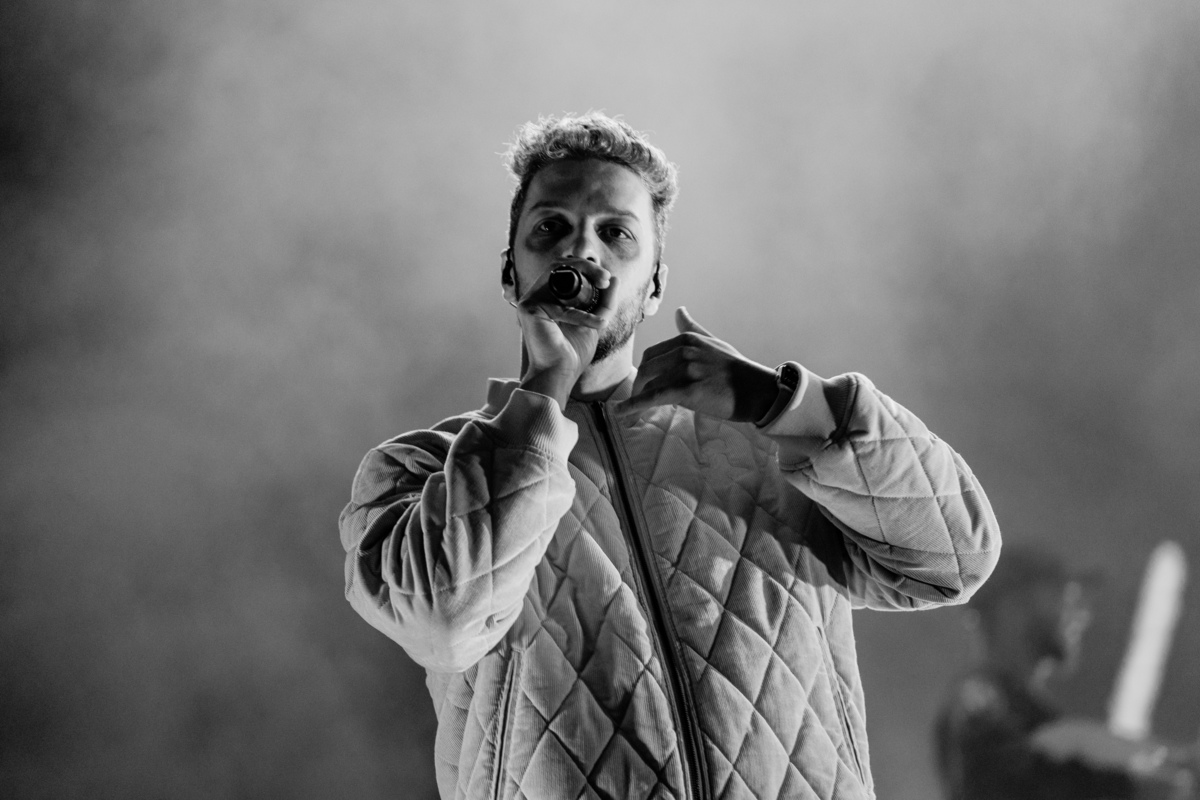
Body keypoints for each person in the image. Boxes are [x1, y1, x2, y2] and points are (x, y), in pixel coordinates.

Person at [339, 112, 1001, 800]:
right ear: (512, 274)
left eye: (616, 234)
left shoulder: (770, 444)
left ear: (654, 283)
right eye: (550, 229)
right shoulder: (420, 469)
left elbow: (955, 558)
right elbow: (445, 620)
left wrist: (784, 404)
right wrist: (540, 398)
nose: (581, 252)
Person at [934, 544, 1197, 800]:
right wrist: (1133, 780)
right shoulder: (978, 704)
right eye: (1062, 592)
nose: (1080, 612)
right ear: (1013, 607)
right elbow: (1023, 772)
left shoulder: (1026, 716)